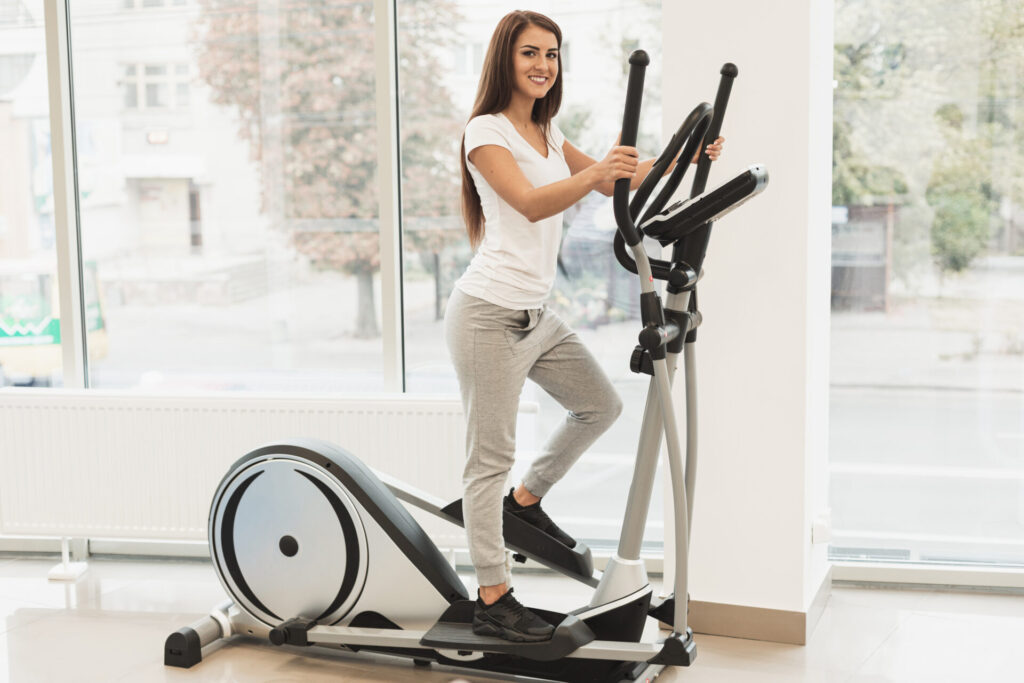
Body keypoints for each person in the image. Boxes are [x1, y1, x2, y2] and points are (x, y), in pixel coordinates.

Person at [444, 9, 723, 643]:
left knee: (599, 407)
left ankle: (525, 505)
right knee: (489, 458)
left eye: (552, 53)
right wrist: (595, 174)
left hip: (535, 316)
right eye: (530, 54)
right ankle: (492, 594)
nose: (544, 64)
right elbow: (530, 201)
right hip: (487, 315)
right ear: (504, 62)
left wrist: (686, 158)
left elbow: (616, 176)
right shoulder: (485, 133)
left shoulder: (544, 128)